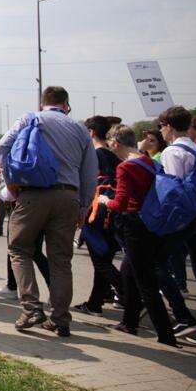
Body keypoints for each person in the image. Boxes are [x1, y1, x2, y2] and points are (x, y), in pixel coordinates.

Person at [0, 86, 97, 338]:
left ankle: (31, 308)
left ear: (43, 103)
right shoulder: (80, 129)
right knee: (61, 259)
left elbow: (3, 146)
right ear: (66, 104)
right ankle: (61, 319)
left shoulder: (30, 118)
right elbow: (89, 171)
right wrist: (84, 205)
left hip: (33, 194)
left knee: (19, 249)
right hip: (68, 196)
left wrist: (9, 181)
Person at [96, 125, 178, 347]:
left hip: (135, 225)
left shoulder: (126, 167)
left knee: (146, 282)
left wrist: (104, 201)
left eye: (110, 140)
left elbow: (120, 203)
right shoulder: (149, 161)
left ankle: (166, 334)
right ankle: (129, 322)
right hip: (153, 224)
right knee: (129, 273)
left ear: (116, 143)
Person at [153, 105, 196, 337]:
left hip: (182, 217)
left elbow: (171, 190)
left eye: (161, 126)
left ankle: (183, 315)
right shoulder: (193, 147)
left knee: (157, 263)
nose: (160, 131)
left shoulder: (172, 152)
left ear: (169, 126)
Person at [73, 116, 123, 316]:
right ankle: (95, 303)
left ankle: (129, 294)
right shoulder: (113, 154)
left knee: (100, 261)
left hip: (97, 212)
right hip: (110, 213)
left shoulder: (95, 154)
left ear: (91, 131)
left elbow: (89, 183)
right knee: (102, 259)